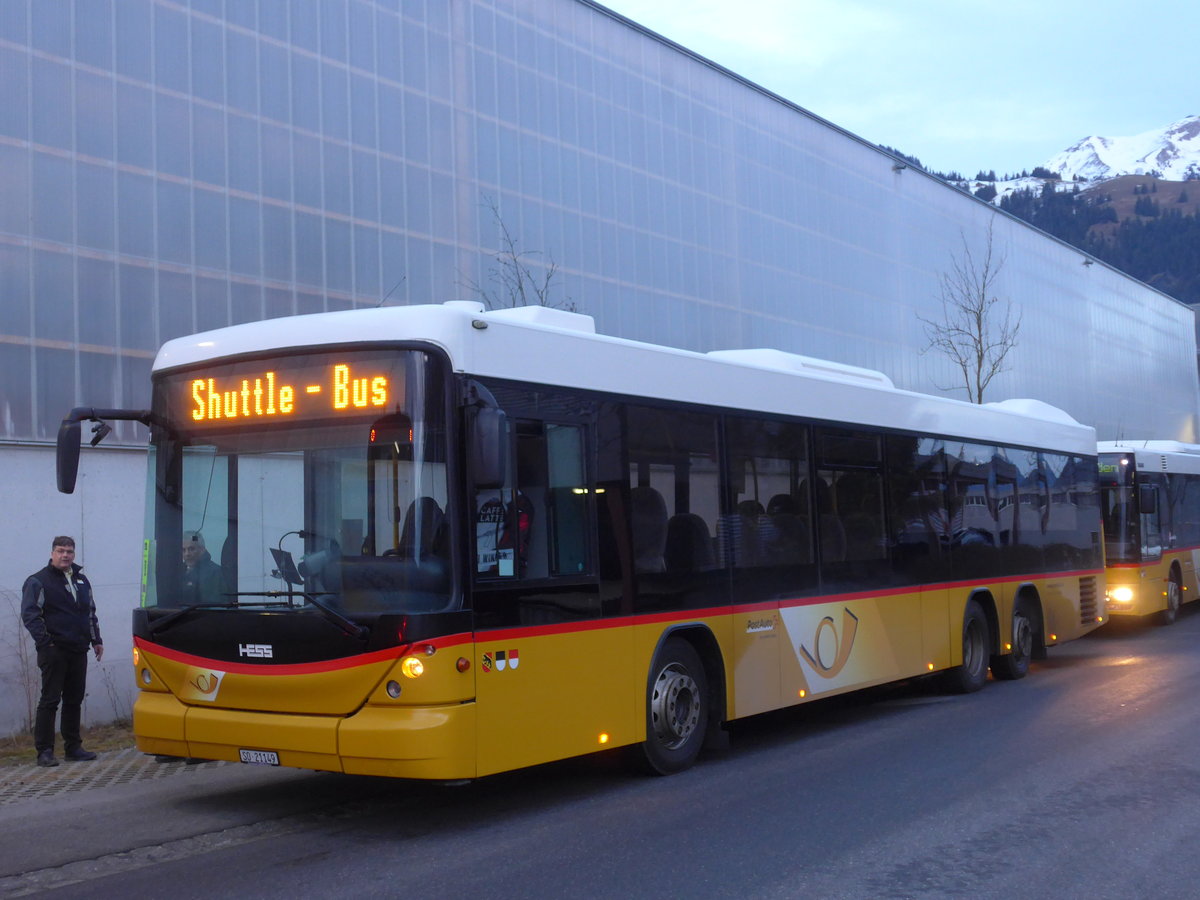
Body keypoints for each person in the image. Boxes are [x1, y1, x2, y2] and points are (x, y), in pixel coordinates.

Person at [21, 536, 103, 767]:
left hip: (78, 649)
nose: (65, 555)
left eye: (69, 551)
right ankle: (45, 751)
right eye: (60, 551)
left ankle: (73, 747)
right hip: (54, 650)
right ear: (52, 553)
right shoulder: (38, 581)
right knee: (50, 700)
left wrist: (96, 639)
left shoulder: (82, 581)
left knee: (74, 699)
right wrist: (46, 642)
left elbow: (89, 613)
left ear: (74, 554)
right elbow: (31, 615)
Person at [182, 532, 224, 604]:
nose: (187, 554)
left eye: (191, 549)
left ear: (202, 550)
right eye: (183, 550)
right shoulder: (176, 572)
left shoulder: (216, 572)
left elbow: (218, 605)